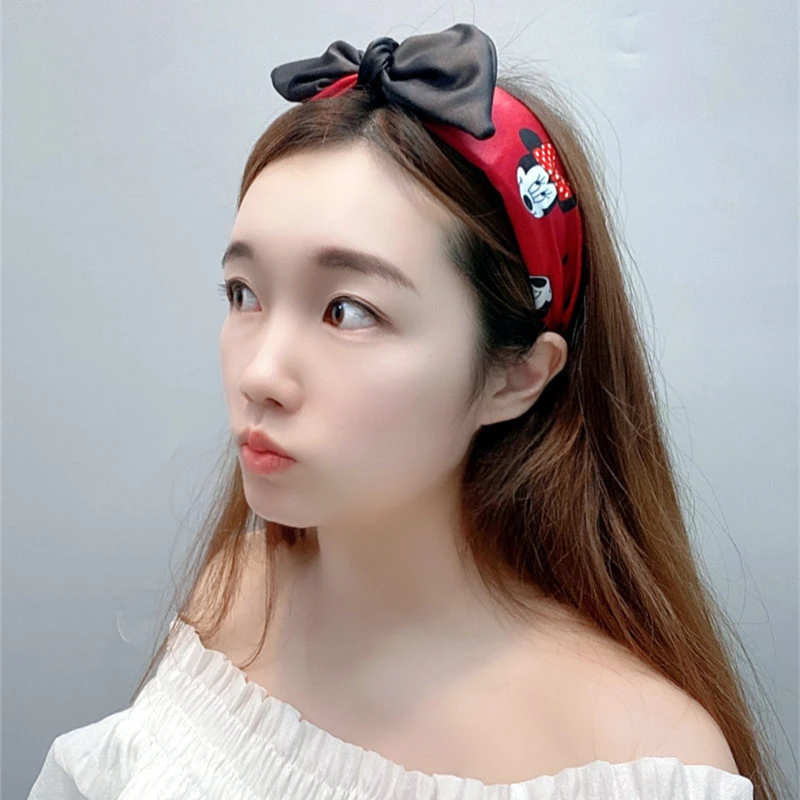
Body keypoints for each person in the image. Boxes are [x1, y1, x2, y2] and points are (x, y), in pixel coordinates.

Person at [28, 22, 784, 800]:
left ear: (517, 376)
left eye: (348, 311)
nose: (259, 374)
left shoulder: (643, 762)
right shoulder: (234, 603)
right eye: (243, 293)